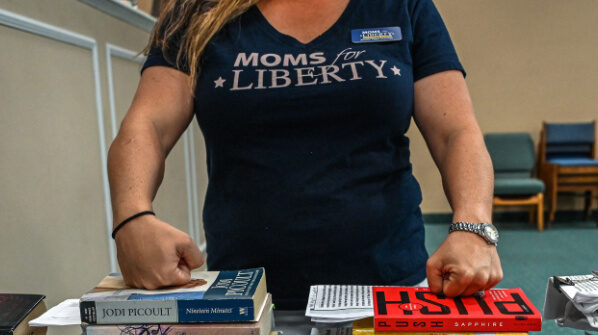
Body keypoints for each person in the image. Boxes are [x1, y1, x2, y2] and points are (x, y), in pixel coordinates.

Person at [107, 0, 503, 310]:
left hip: (389, 290)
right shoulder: (198, 11)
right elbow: (148, 125)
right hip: (250, 298)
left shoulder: (401, 5)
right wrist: (132, 217)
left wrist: (474, 226)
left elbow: (456, 132)